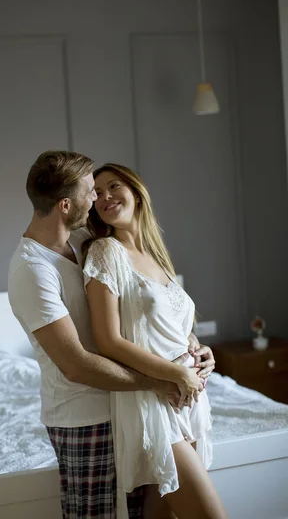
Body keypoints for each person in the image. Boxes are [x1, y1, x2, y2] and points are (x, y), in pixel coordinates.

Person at [8, 150, 216, 519]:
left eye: (106, 189)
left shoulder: (83, 242)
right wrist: (161, 380)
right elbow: (76, 364)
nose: (97, 200)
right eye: (91, 191)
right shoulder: (33, 269)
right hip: (84, 417)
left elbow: (148, 312)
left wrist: (196, 349)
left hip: (134, 405)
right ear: (65, 204)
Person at [83, 163, 228, 519]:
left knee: (163, 514)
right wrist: (178, 375)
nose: (105, 197)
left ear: (135, 190)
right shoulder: (105, 252)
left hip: (189, 398)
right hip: (153, 400)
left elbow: (169, 324)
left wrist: (199, 349)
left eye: (113, 186)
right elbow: (108, 340)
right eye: (97, 194)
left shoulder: (155, 255)